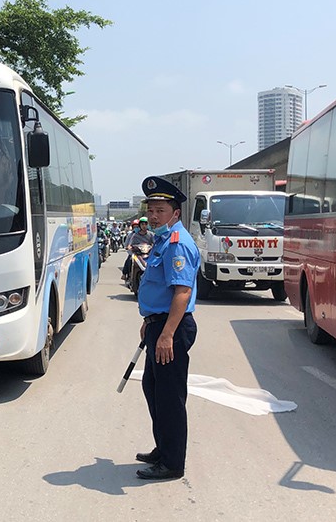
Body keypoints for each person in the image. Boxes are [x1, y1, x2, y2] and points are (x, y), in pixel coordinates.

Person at [134, 176, 200, 480]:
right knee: (153, 388)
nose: (154, 215)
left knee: (170, 397)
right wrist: (149, 323)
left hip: (171, 328)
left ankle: (173, 463)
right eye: (151, 210)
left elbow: (182, 293)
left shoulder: (178, 243)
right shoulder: (163, 240)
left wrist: (167, 334)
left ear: (175, 213)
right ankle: (164, 447)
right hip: (158, 324)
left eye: (160, 210)